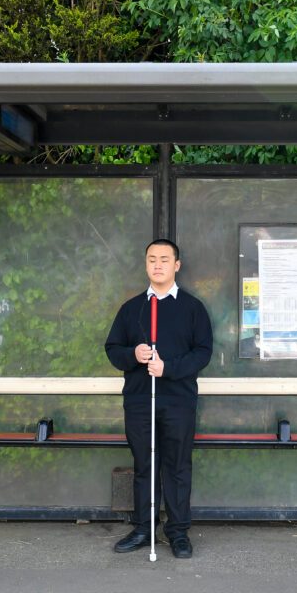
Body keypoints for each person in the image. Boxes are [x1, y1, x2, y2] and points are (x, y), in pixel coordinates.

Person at [105, 239, 212, 559]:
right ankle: (143, 527)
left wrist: (168, 368)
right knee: (144, 465)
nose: (158, 264)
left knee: (177, 466)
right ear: (146, 264)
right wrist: (133, 354)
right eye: (152, 259)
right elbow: (113, 350)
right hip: (140, 400)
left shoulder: (192, 308)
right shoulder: (131, 308)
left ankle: (178, 531)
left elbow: (203, 353)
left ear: (176, 265)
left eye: (165, 259)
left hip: (178, 400)